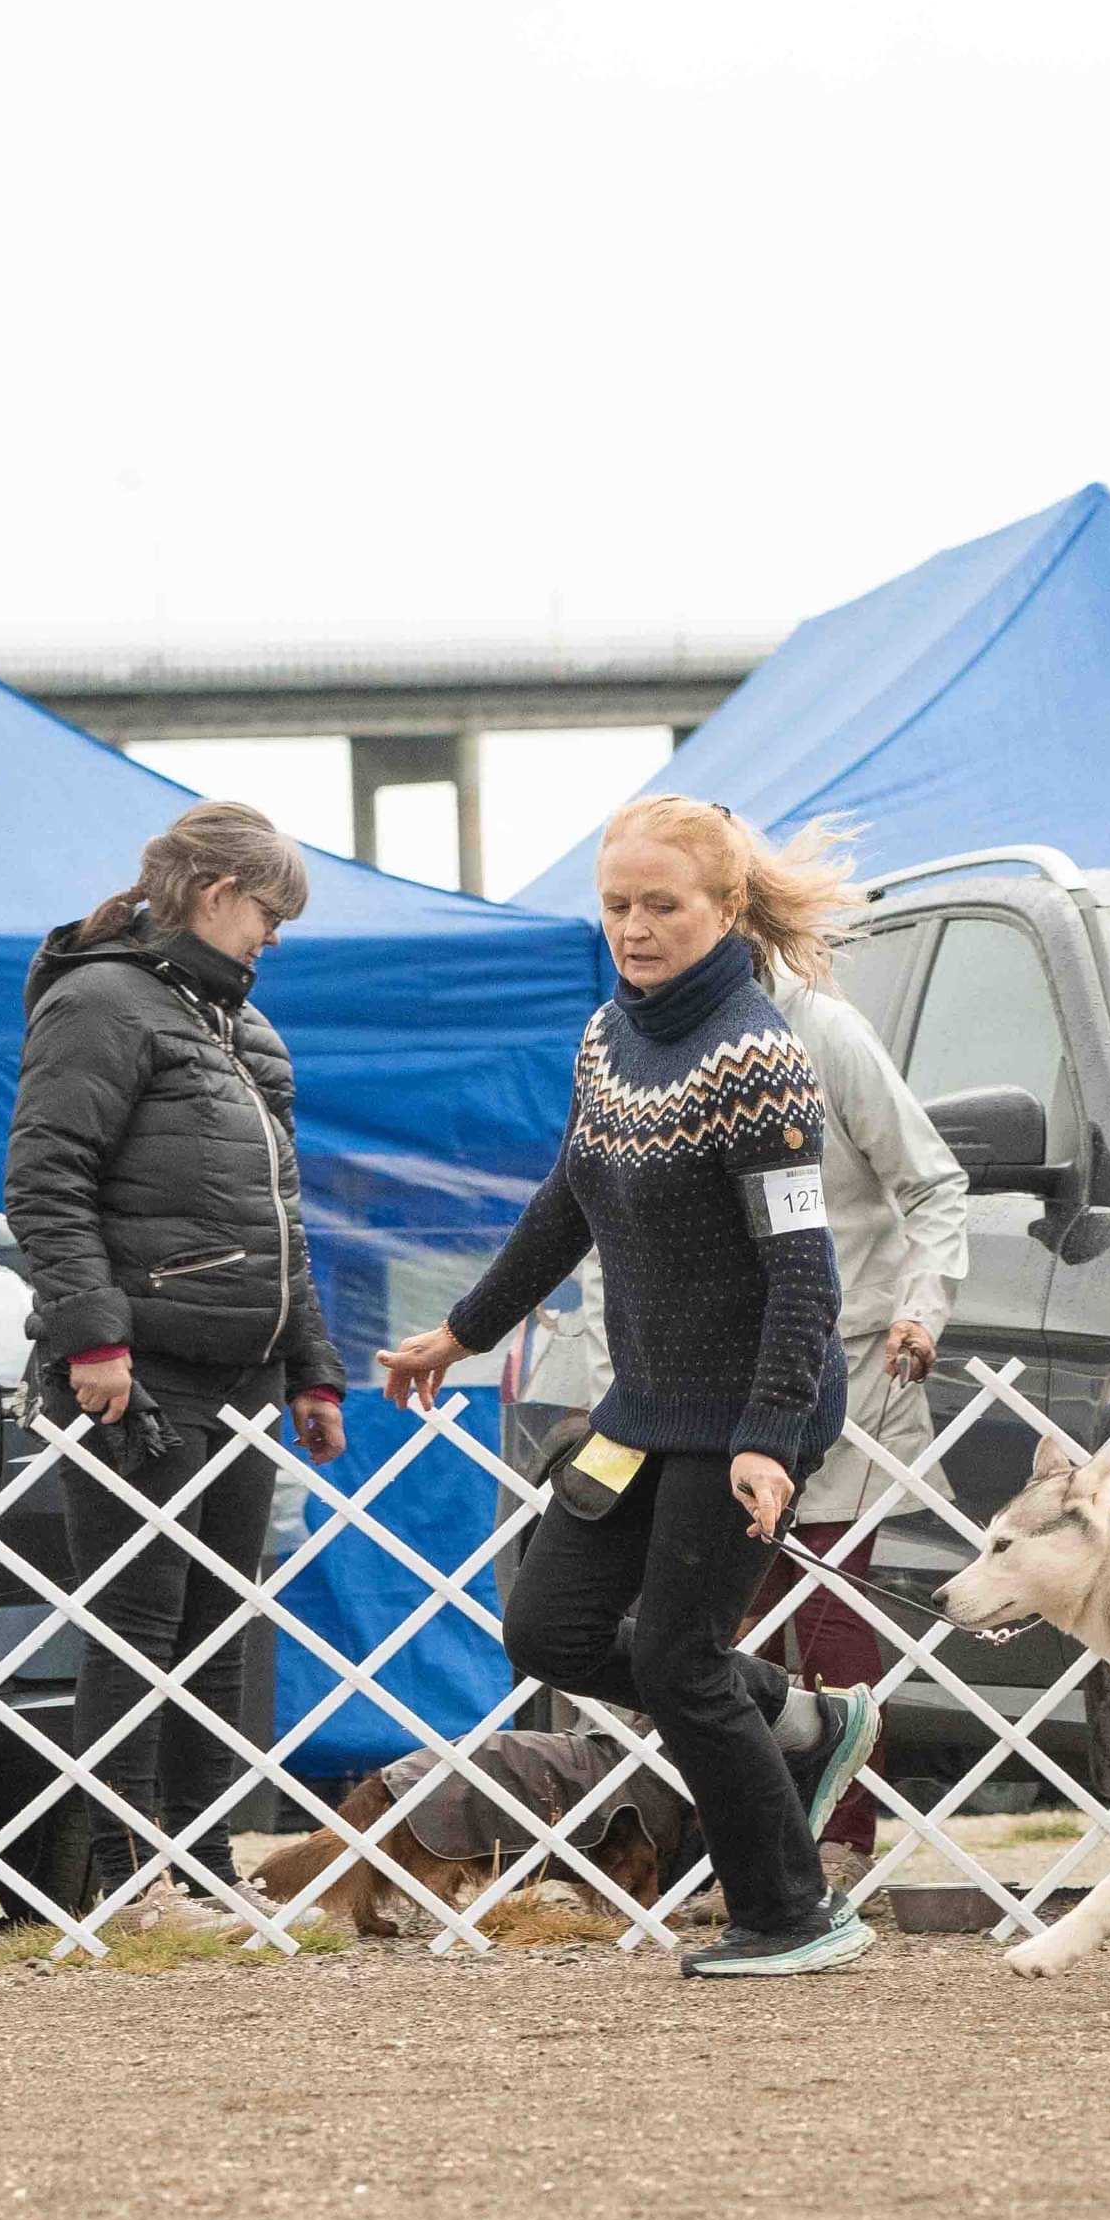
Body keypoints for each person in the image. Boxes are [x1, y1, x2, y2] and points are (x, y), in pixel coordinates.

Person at [376, 795, 878, 1979]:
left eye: (661, 906)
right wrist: (457, 1331)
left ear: (725, 909)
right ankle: (801, 1719)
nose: (635, 929)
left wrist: (768, 1438)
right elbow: (567, 1203)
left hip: (757, 1403)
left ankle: (795, 1913)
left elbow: (802, 1270)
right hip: (645, 1408)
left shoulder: (758, 1059)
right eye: (616, 907)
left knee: (677, 1662)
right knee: (547, 1627)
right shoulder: (610, 1035)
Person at [4, 802, 349, 1931]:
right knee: (135, 1627)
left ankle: (200, 1872)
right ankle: (128, 1882)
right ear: (213, 894)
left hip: (243, 1375)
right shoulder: (97, 1002)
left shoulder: (249, 1035)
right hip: (137, 1374)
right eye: (268, 911)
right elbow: (46, 1182)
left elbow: (281, 1217)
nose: (275, 937)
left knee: (215, 1628)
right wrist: (93, 1337)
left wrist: (312, 1366)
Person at [751, 958, 966, 1871]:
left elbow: (932, 1183)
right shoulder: (644, 1034)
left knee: (829, 1605)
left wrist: (923, 1305)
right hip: (716, 1368)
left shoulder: (829, 1032)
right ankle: (751, 1844)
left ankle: (841, 1842)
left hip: (848, 1356)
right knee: (737, 1621)